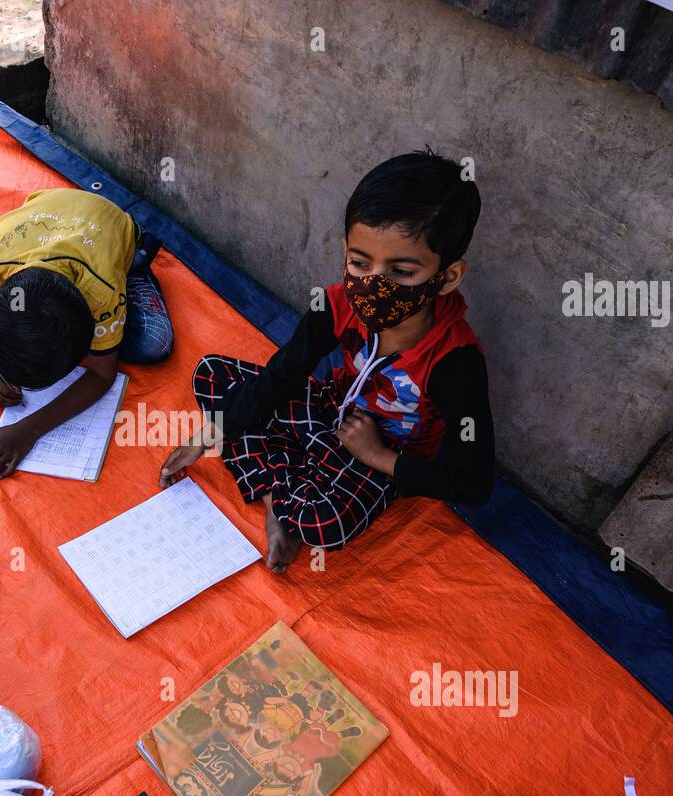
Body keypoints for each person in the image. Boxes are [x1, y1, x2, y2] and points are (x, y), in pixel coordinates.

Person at [159, 150, 494, 573]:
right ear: (345, 250)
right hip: (327, 412)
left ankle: (283, 482)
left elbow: (474, 482)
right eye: (359, 262)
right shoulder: (337, 304)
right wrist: (209, 434)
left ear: (447, 277)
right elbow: (282, 377)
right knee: (212, 373)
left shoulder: (454, 362)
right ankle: (275, 501)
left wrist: (377, 455)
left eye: (402, 272)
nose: (373, 284)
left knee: (322, 522)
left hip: (377, 459)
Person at [0, 187, 173, 478]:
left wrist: (29, 429)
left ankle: (133, 268)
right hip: (39, 224)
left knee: (153, 344)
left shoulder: (101, 293)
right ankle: (14, 231)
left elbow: (101, 373)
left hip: (110, 230)